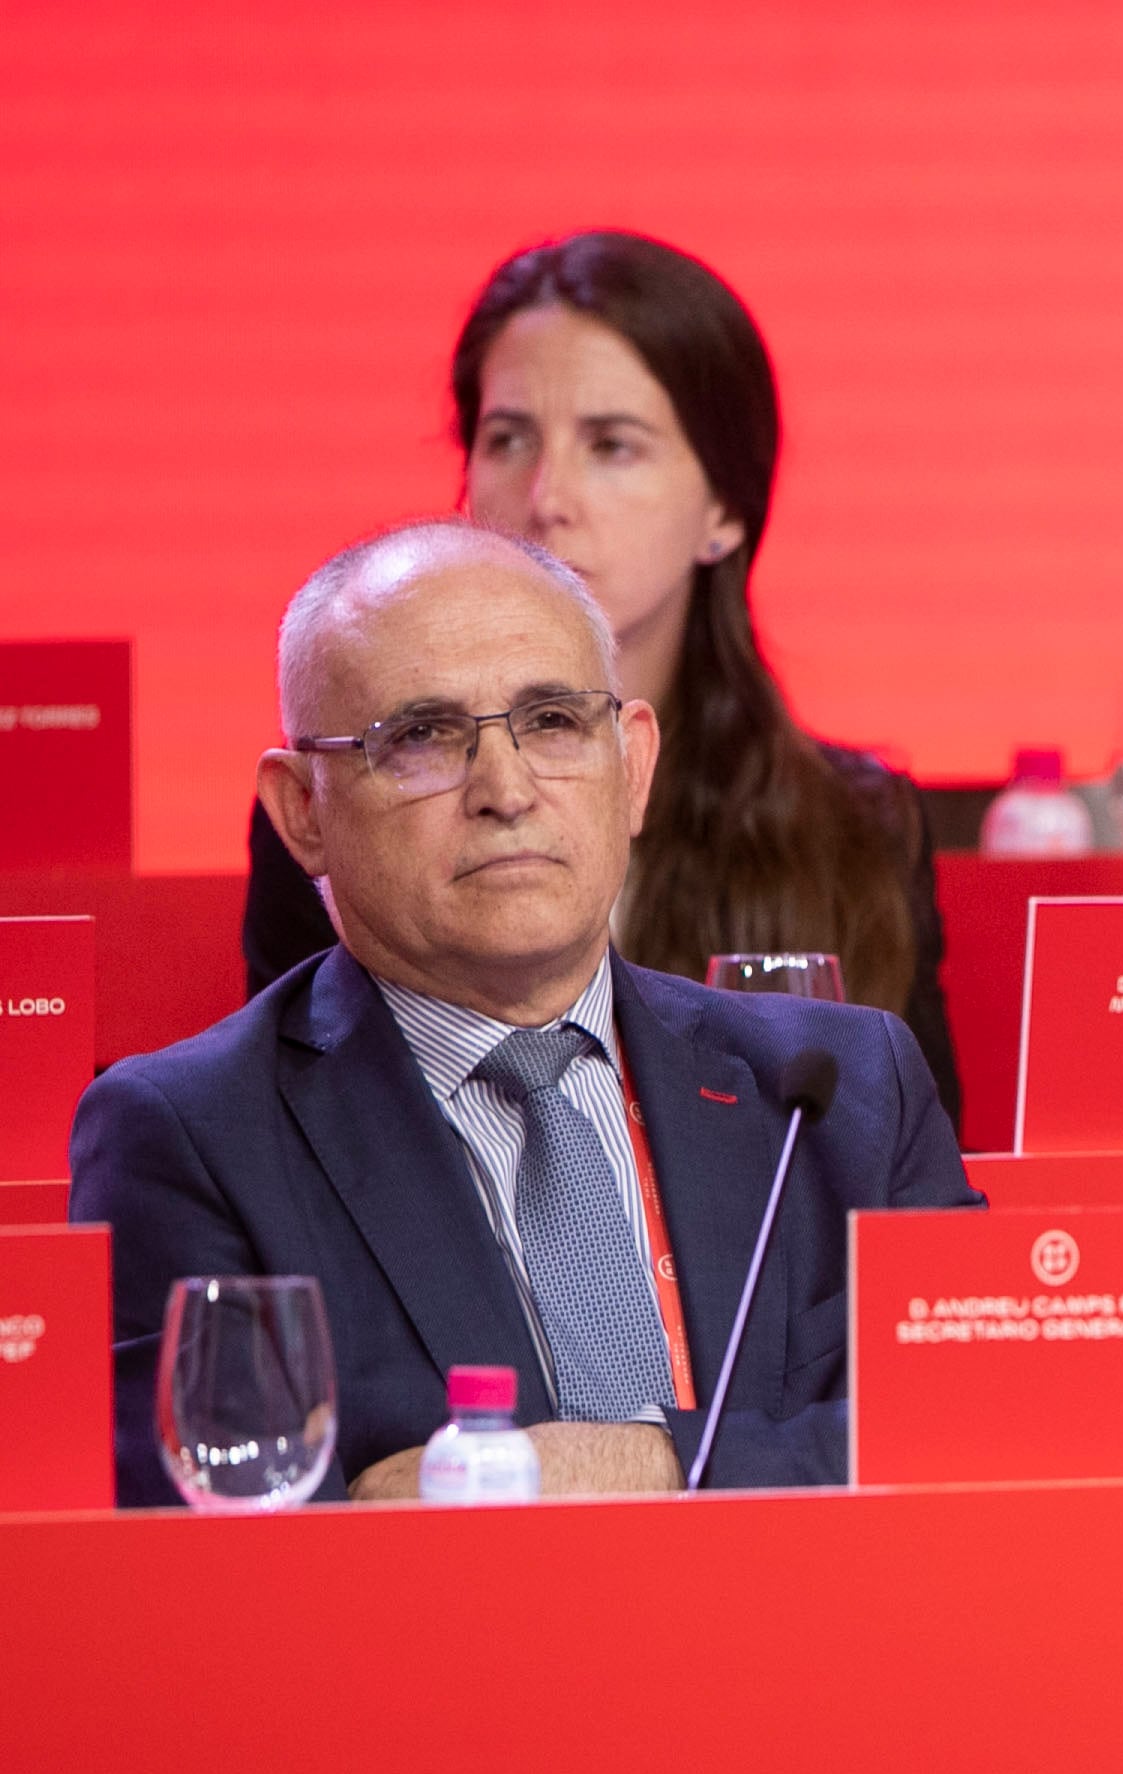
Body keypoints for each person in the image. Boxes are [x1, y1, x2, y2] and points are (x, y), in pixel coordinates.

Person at [73, 524, 973, 1505]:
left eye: (550, 722)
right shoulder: (193, 1136)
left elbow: (975, 1424)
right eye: (420, 737)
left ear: (632, 766)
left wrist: (652, 1466)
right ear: (301, 812)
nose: (505, 791)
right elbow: (206, 1530)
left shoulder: (843, 1093)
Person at [239, 233, 960, 1113]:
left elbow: (908, 1184)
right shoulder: (360, 793)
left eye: (611, 445)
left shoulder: (856, 826)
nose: (547, 496)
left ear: (726, 509)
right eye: (508, 440)